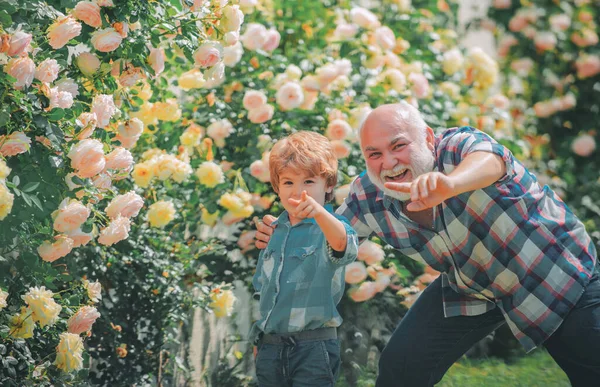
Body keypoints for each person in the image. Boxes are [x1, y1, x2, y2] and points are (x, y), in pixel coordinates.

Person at [255, 102, 600, 387]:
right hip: (472, 286)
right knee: (401, 368)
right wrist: (285, 234)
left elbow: (493, 160)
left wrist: (450, 184)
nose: (388, 163)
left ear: (428, 139)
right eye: (373, 154)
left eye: (398, 146)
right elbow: (333, 238)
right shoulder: (370, 195)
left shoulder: (458, 148)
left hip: (555, 269)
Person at [250, 131, 358, 387]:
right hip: (271, 346)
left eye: (309, 182)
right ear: (277, 187)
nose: (298, 192)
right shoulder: (273, 231)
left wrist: (319, 213)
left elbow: (345, 245)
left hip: (313, 347)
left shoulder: (331, 227)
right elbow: (262, 288)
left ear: (328, 184)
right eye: (288, 183)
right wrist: (260, 337)